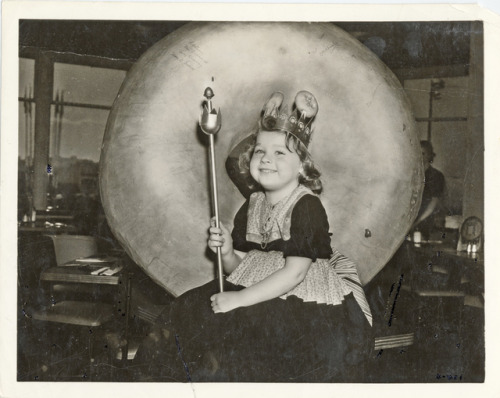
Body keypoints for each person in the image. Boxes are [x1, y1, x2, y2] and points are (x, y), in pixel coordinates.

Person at [132, 91, 372, 382]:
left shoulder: (306, 206)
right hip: (256, 288)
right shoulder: (253, 204)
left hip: (301, 300)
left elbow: (294, 274)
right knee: (189, 310)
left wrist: (241, 299)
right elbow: (242, 267)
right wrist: (227, 252)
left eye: (279, 153)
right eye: (260, 151)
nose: (266, 159)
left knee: (252, 332)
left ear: (302, 166)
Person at [412, 140, 445, 239]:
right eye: (418, 153)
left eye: (423, 153)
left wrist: (417, 222)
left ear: (430, 156)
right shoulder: (414, 175)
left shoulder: (436, 176)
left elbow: (433, 203)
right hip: (411, 220)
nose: (420, 157)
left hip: (426, 221)